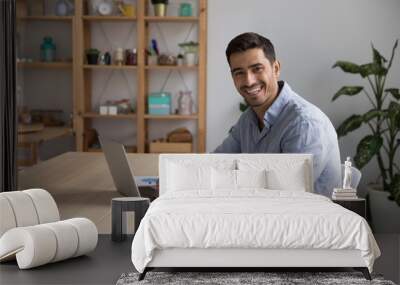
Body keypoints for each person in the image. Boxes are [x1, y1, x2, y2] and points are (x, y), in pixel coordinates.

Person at [214, 32, 341, 197]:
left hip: (306, 219)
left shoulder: (305, 123)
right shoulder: (248, 119)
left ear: (276, 68)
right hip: (265, 215)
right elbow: (216, 164)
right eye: (239, 73)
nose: (249, 81)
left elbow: (286, 196)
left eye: (257, 69)